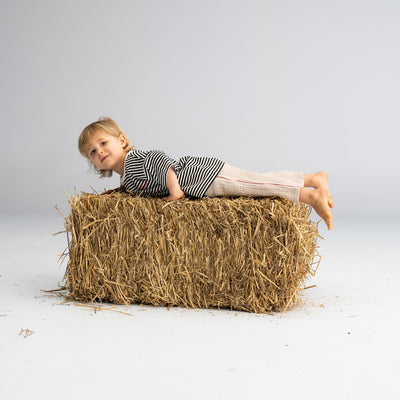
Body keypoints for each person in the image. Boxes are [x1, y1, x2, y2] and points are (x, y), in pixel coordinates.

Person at [78, 117, 334, 230]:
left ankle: (309, 196)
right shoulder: (126, 176)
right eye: (92, 152)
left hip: (200, 176)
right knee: (255, 179)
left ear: (122, 140)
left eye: (103, 143)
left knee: (254, 185)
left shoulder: (134, 161)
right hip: (199, 179)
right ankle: (313, 179)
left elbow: (163, 163)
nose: (99, 152)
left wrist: (175, 192)